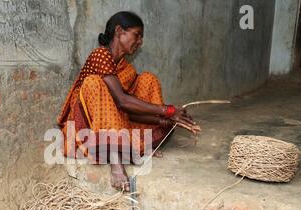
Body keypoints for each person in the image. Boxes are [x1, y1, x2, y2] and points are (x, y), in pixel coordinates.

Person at [57, 11, 199, 191]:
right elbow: (123, 101)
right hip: (86, 127)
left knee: (148, 79)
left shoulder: (126, 68)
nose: (140, 42)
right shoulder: (100, 55)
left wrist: (166, 120)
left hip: (115, 124)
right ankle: (116, 164)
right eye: (137, 35)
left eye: (141, 38)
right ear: (119, 31)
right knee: (95, 83)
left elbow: (128, 111)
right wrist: (168, 110)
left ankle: (135, 147)